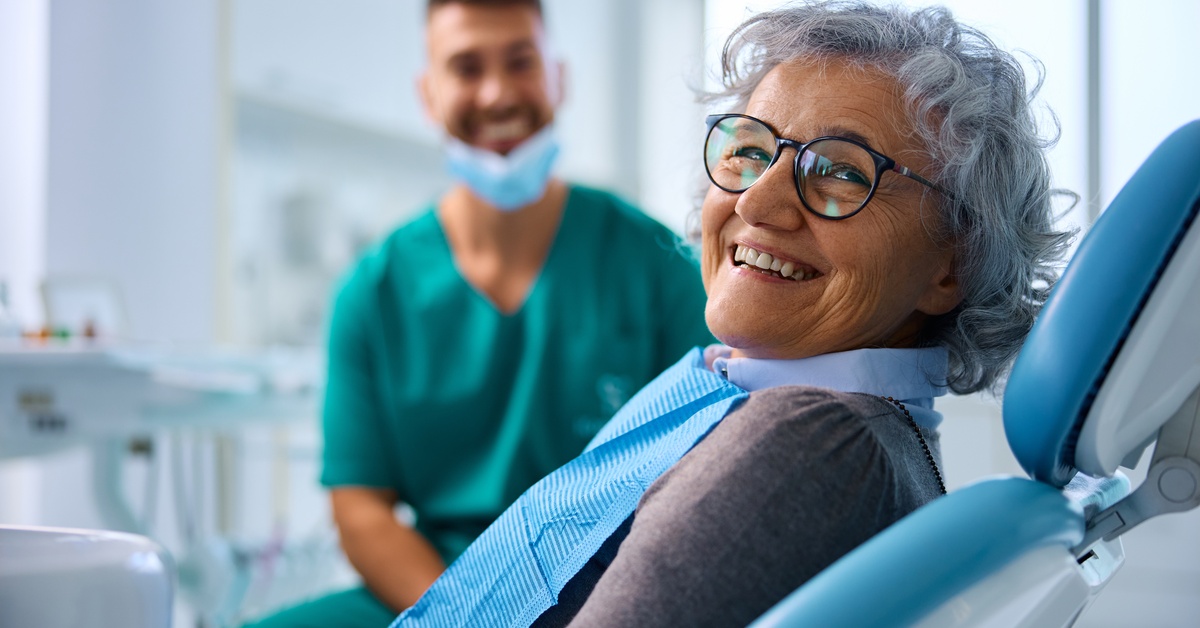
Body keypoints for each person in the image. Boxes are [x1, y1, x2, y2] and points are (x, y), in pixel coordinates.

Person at [391, 1, 1074, 626]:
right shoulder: (758, 393)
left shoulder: (816, 440)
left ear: (951, 263)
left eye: (840, 171)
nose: (756, 202)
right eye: (751, 150)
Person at [245, 1, 712, 626]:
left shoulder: (655, 266)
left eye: (521, 62)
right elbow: (361, 510)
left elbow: (708, 471)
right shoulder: (375, 292)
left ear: (559, 78)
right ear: (429, 94)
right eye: (466, 68)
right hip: (435, 588)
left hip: (610, 586)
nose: (496, 94)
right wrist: (469, 615)